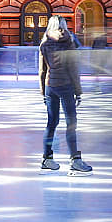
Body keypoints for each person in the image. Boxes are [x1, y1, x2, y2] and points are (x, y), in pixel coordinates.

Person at [39, 16, 91, 175]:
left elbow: (42, 71)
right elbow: (73, 70)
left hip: (50, 86)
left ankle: (47, 158)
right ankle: (75, 160)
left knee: (51, 123)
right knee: (71, 124)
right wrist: (78, 91)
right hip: (66, 86)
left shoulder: (44, 43)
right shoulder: (69, 42)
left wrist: (43, 91)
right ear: (63, 26)